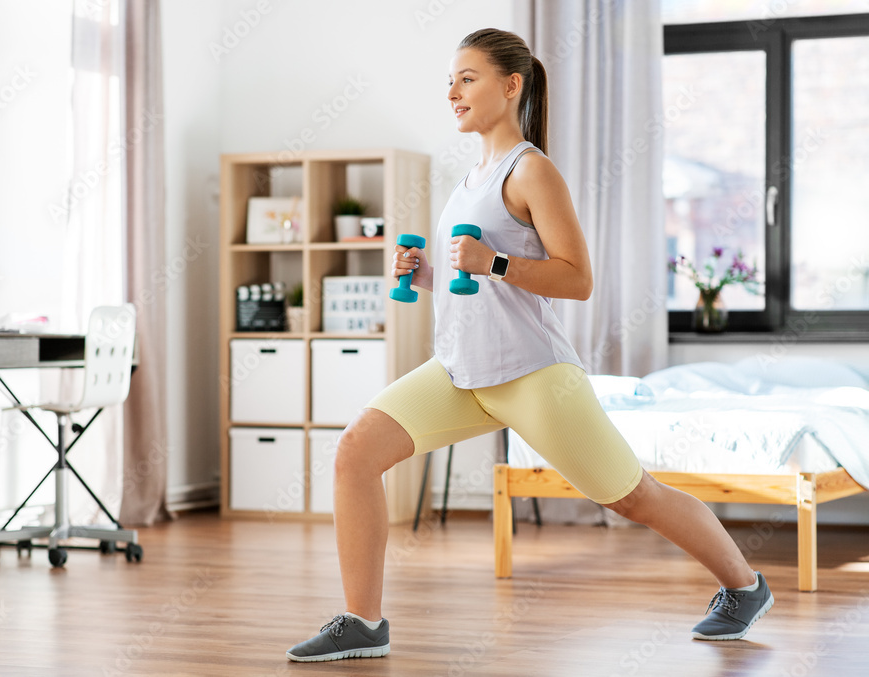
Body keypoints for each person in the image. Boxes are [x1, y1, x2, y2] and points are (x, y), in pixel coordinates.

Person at [286, 27, 773, 663]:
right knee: (355, 454)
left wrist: (493, 264)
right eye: (450, 82)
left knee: (633, 498)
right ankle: (363, 620)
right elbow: (478, 280)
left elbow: (578, 278)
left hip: (533, 376)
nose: (454, 92)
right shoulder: (470, 177)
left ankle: (744, 586)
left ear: (511, 86)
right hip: (460, 373)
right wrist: (426, 274)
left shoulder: (531, 170)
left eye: (468, 78)